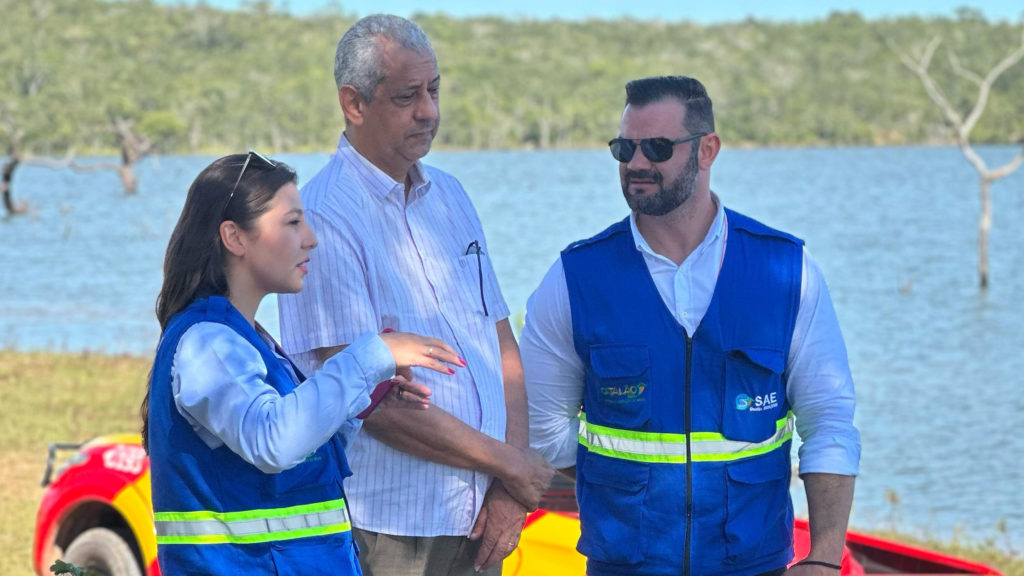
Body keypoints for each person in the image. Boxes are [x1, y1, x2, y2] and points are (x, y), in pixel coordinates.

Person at [522, 76, 861, 576]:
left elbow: (828, 420)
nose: (636, 163)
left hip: (754, 565)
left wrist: (826, 559)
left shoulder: (787, 271)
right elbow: (542, 427)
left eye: (657, 148)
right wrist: (620, 483)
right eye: (624, 148)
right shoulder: (575, 278)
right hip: (623, 566)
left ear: (707, 150)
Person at [276, 14, 553, 576]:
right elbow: (368, 403)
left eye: (433, 90)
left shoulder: (450, 196)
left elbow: (501, 343)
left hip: (478, 517)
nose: (429, 110)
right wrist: (511, 464)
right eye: (407, 96)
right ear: (353, 104)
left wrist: (509, 485)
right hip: (390, 530)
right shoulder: (322, 218)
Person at [141, 152, 464, 575]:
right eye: (292, 223)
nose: (310, 238)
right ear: (234, 237)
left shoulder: (249, 339)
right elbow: (273, 441)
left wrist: (359, 400)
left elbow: (297, 463)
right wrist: (368, 356)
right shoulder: (207, 341)